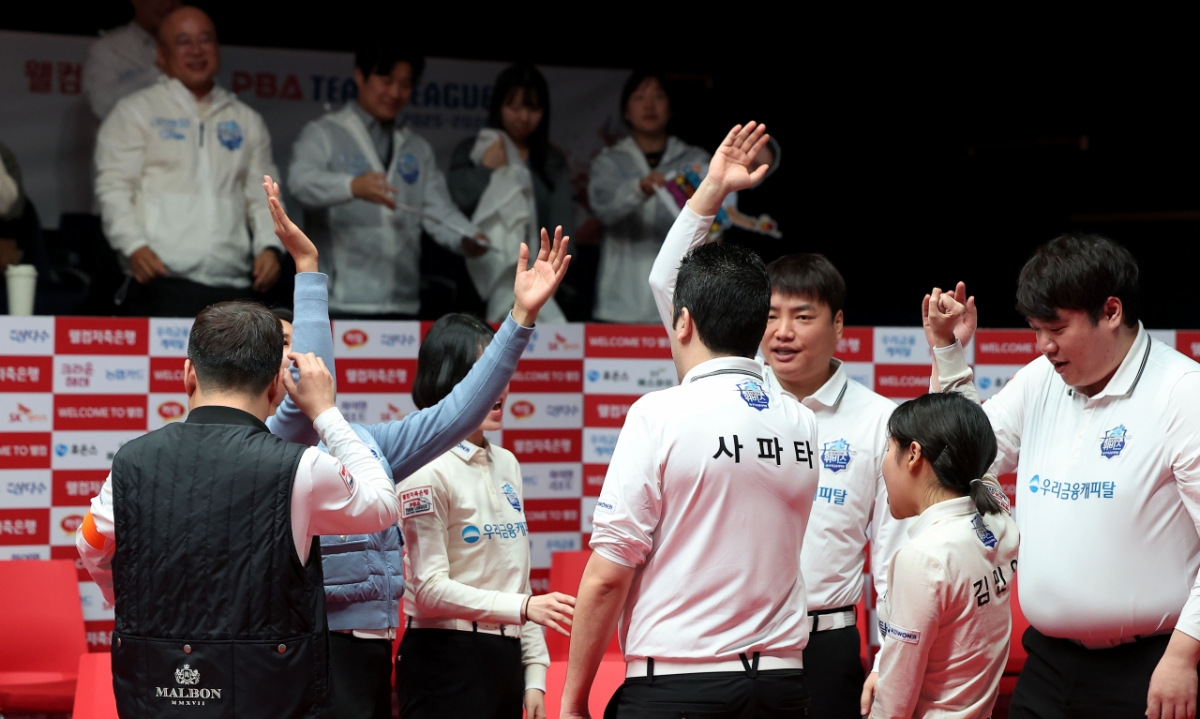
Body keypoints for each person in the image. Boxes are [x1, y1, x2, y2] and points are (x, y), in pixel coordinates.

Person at [261, 176, 572, 719]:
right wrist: (308, 273)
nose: (297, 359)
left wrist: (520, 317)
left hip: (374, 653)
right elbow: (308, 389)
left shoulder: (374, 445)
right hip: (314, 649)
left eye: (297, 343)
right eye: (284, 347)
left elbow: (461, 410)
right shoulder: (272, 445)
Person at [649, 122, 909, 719]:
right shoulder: (729, 390)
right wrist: (712, 190)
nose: (783, 332)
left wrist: (893, 658)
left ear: (840, 324)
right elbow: (668, 282)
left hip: (827, 645)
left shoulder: (880, 420)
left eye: (803, 315)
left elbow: (894, 559)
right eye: (770, 315)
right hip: (729, 641)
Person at [75, 301, 402, 717]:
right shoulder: (301, 467)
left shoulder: (131, 461)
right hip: (269, 694)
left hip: (157, 691)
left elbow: (90, 545)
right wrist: (325, 412)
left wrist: (125, 596)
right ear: (274, 388)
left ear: (188, 374)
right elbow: (384, 505)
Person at [924, 236, 1200, 719]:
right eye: (1035, 330)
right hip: (1048, 665)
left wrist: (1183, 655)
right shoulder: (1039, 379)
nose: (1043, 346)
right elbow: (962, 456)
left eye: (1055, 328)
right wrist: (949, 353)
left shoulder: (1182, 393)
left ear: (1111, 311)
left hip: (1151, 667)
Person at [561, 213, 820, 716]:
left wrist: (572, 701)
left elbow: (608, 576)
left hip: (681, 687)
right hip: (782, 686)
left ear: (682, 322)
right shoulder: (800, 419)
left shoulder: (658, 414)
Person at [395, 314, 576, 719]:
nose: (501, 387)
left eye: (502, 371)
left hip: (506, 660)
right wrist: (524, 608)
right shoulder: (424, 467)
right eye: (483, 373)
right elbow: (428, 590)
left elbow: (517, 577)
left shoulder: (508, 463)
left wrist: (534, 672)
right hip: (444, 661)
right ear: (447, 379)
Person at [94, 7, 284, 318]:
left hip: (233, 282)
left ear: (218, 49)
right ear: (162, 55)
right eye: (183, 42)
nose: (196, 50)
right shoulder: (135, 112)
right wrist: (133, 246)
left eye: (205, 39)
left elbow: (262, 195)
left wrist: (269, 246)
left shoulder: (246, 120)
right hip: (160, 279)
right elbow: (113, 188)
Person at [288, 42, 486, 320]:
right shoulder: (324, 133)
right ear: (360, 76)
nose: (395, 93)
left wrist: (466, 237)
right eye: (386, 80)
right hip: (340, 302)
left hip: (402, 302)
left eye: (405, 84)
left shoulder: (416, 147)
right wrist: (351, 186)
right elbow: (300, 183)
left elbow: (438, 210)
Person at [867, 391, 1018, 719]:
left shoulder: (923, 557)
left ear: (913, 454)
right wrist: (947, 349)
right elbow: (975, 451)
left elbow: (895, 701)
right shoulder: (999, 520)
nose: (882, 464)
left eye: (888, 448)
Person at [447, 62, 574, 323]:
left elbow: (563, 228)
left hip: (541, 281)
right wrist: (484, 169)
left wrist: (553, 272)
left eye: (533, 108)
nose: (523, 118)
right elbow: (455, 202)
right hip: (477, 280)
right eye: (514, 107)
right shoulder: (472, 151)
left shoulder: (553, 161)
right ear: (497, 106)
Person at [588, 69, 709, 323]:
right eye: (639, 97)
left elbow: (715, 221)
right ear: (626, 111)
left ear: (671, 107)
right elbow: (603, 209)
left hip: (681, 300)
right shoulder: (608, 161)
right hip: (619, 300)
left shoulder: (695, 161)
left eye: (658, 96)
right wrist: (638, 189)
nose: (649, 105)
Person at [83, 0, 182, 120]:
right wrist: (159, 72)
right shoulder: (109, 47)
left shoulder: (196, 48)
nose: (168, 4)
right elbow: (101, 107)